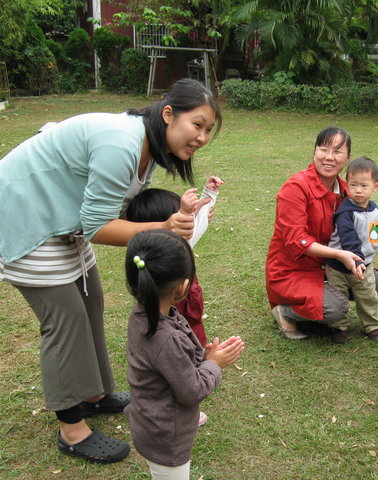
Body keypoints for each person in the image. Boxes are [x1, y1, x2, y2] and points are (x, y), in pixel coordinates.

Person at [0, 78, 221, 462]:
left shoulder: (148, 148)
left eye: (208, 130)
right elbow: (98, 227)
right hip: (25, 218)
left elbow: (113, 211)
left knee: (91, 301)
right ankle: (71, 429)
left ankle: (93, 394)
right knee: (65, 318)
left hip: (62, 222)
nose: (202, 137)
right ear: (169, 114)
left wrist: (181, 217)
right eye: (197, 124)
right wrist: (164, 227)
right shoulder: (122, 144)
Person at [124, 229, 244, 480]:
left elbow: (169, 361)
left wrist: (201, 355)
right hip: (166, 435)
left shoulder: (144, 314)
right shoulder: (165, 337)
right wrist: (214, 364)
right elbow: (192, 390)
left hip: (150, 420)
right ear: (183, 286)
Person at [265, 127, 378, 341]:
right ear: (314, 152)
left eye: (338, 151)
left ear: (347, 158)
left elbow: (362, 228)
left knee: (375, 282)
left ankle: (325, 299)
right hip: (293, 270)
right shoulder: (295, 187)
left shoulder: (347, 189)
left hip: (327, 267)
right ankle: (285, 312)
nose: (329, 157)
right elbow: (296, 241)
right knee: (336, 308)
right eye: (323, 149)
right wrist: (339, 255)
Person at [126, 176, 223, 347]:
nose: (188, 221)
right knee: (185, 344)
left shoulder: (142, 254)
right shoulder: (176, 246)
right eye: (178, 218)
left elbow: (200, 222)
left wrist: (209, 194)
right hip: (184, 320)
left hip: (184, 323)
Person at [325, 156, 378, 343]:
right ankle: (339, 327)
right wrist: (356, 259)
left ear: (375, 186)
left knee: (368, 295)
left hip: (363, 265)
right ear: (347, 185)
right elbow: (348, 239)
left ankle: (372, 325)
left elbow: (375, 231)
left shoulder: (375, 210)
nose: (358, 190)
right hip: (338, 266)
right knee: (339, 296)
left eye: (364, 186)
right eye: (353, 185)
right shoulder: (345, 212)